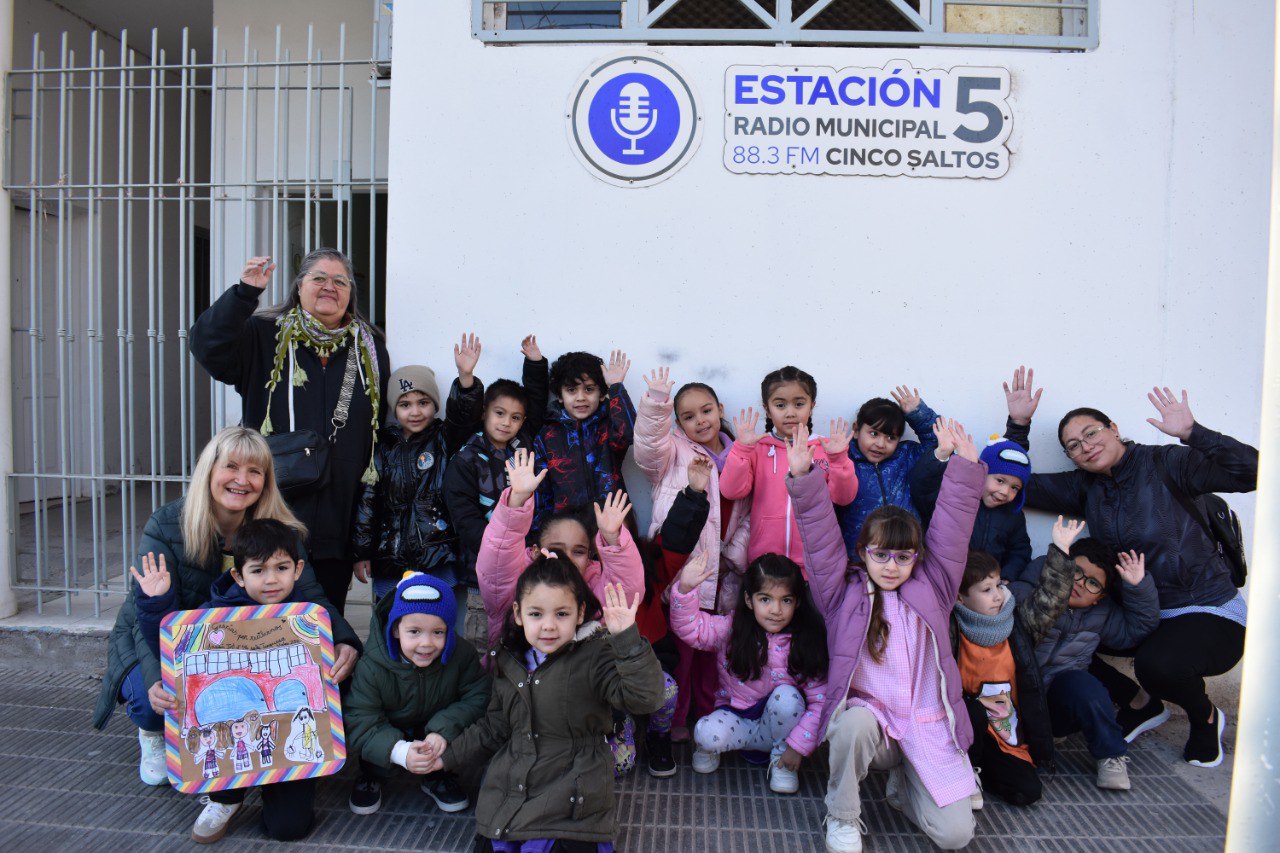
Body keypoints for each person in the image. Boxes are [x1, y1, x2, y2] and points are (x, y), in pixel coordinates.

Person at [91, 427, 359, 787]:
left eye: (255, 471)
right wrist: (158, 678)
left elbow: (312, 595)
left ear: (266, 480)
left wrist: (343, 640)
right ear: (209, 470)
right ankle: (152, 734)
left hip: (246, 648)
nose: (242, 480)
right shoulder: (167, 524)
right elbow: (146, 619)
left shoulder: (280, 530)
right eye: (231, 467)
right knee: (153, 701)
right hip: (157, 636)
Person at [1024, 386, 1259, 767]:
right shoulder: (1086, 486)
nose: (1085, 446)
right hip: (1140, 608)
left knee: (1159, 665)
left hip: (1205, 608)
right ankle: (1141, 703)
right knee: (1057, 630)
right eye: (1073, 445)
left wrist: (1193, 432)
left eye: (1091, 433)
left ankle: (1206, 717)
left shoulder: (1168, 463)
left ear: (1113, 429)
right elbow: (1018, 483)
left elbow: (1253, 471)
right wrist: (1017, 426)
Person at [790, 418, 984, 852]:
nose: (891, 565)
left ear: (916, 558)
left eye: (902, 556)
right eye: (881, 554)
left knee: (956, 836)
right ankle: (842, 816)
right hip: (872, 725)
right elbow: (820, 540)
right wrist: (803, 478)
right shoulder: (842, 594)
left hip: (925, 726)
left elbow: (952, 533)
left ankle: (903, 789)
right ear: (864, 553)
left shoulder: (935, 588)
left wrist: (966, 472)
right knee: (853, 723)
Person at [190, 250, 390, 612]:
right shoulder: (263, 334)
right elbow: (208, 346)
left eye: (340, 281)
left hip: (337, 517)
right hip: (271, 511)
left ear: (350, 294)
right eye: (318, 278)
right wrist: (244, 294)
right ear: (299, 287)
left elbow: (377, 425)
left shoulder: (369, 347)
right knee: (263, 620)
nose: (329, 286)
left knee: (324, 618)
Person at [430, 559, 666, 852]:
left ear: (580, 613)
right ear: (518, 614)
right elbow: (494, 727)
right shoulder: (508, 659)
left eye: (562, 613)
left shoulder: (595, 656)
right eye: (536, 613)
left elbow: (647, 698)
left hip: (572, 799)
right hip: (512, 795)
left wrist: (626, 639)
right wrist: (446, 757)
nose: (549, 625)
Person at [128, 518, 336, 843]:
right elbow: (173, 650)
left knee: (288, 828)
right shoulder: (215, 614)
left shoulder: (308, 617)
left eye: (281, 568)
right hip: (229, 720)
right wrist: (156, 604)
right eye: (258, 570)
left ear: (297, 570)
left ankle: (280, 788)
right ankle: (225, 797)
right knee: (222, 744)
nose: (271, 580)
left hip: (287, 738)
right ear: (238, 575)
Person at [476, 449, 678, 778]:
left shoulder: (596, 582)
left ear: (591, 559)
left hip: (585, 700)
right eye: (556, 550)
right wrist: (516, 504)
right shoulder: (517, 580)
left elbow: (626, 589)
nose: (568, 558)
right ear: (532, 551)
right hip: (527, 701)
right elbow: (496, 559)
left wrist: (613, 539)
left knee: (618, 764)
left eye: (579, 551)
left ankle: (621, 723)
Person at [633, 370, 750, 738]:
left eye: (706, 411)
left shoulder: (742, 452)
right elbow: (647, 446)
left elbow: (752, 510)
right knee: (681, 655)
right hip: (684, 573)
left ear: (720, 410)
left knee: (713, 659)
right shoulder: (672, 451)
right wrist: (656, 403)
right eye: (688, 416)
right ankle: (676, 722)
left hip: (726, 575)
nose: (700, 421)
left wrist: (736, 553)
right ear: (678, 422)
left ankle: (710, 717)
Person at [668, 550, 828, 795]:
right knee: (705, 733)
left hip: (779, 730)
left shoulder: (803, 643)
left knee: (787, 697)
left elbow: (820, 702)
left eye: (786, 600)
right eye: (765, 599)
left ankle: (782, 764)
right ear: (748, 600)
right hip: (736, 719)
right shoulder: (731, 630)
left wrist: (797, 747)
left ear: (797, 602)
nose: (776, 609)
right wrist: (686, 588)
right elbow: (692, 629)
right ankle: (710, 749)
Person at [1012, 537, 1159, 791]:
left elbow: (1138, 628)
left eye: (1092, 583)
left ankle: (1111, 755)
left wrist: (1137, 586)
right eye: (1075, 572)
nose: (1079, 584)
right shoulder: (1027, 591)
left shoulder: (1102, 614)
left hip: (1055, 706)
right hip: (1011, 701)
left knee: (1086, 686)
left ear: (1099, 598)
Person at [352, 335, 485, 602]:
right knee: (393, 625)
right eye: (405, 404)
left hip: (439, 553)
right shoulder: (382, 446)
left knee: (439, 623)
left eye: (423, 403)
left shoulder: (444, 438)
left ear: (435, 405)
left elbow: (464, 415)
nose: (415, 412)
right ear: (394, 409)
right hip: (391, 555)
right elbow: (368, 502)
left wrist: (466, 378)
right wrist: (362, 552)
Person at [345, 572, 490, 816]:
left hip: (435, 727)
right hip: (390, 726)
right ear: (395, 630)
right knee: (374, 746)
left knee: (452, 733)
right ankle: (372, 774)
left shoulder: (461, 655)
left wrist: (443, 729)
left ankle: (438, 776)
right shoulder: (371, 665)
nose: (426, 643)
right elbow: (360, 718)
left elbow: (478, 696)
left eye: (438, 632)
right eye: (414, 631)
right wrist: (398, 751)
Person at [951, 527, 1075, 808]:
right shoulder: (952, 628)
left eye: (998, 585)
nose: (997, 595)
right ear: (960, 598)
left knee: (1027, 791)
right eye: (985, 590)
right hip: (966, 733)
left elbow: (1050, 603)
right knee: (971, 710)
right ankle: (963, 773)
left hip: (1006, 734)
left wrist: (1061, 552)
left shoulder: (1016, 624)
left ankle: (984, 773)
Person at [444, 334, 550, 647]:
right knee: (483, 645)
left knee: (524, 641)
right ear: (484, 413)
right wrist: (466, 379)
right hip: (483, 574)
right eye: (499, 413)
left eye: (515, 418)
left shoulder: (524, 446)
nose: (507, 423)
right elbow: (465, 518)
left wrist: (534, 364)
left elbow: (536, 398)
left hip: (528, 566)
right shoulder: (466, 457)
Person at [720, 365, 857, 571]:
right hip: (765, 562)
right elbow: (731, 490)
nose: (790, 412)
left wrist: (838, 460)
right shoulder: (757, 447)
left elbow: (843, 498)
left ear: (812, 406)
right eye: (780, 405)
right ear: (767, 408)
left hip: (817, 563)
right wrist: (741, 450)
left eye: (799, 404)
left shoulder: (826, 448)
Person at [913, 366, 1041, 580]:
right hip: (945, 582)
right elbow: (922, 487)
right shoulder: (955, 499)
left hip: (986, 587)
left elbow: (1020, 551)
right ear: (982, 472)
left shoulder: (1013, 516)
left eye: (1015, 488)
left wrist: (1005, 577)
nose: (1005, 491)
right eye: (1000, 480)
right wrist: (941, 453)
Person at [532, 349, 635, 532]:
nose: (581, 397)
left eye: (589, 389)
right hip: (568, 531)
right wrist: (541, 535)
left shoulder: (608, 425)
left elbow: (629, 433)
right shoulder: (547, 435)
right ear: (560, 396)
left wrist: (616, 386)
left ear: (602, 394)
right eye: (571, 390)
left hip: (614, 524)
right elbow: (541, 492)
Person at [837, 385, 940, 552]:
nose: (880, 444)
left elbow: (942, 444)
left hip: (906, 552)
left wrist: (918, 414)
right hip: (860, 556)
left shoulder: (907, 456)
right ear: (856, 430)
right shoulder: (844, 460)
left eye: (891, 437)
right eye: (874, 433)